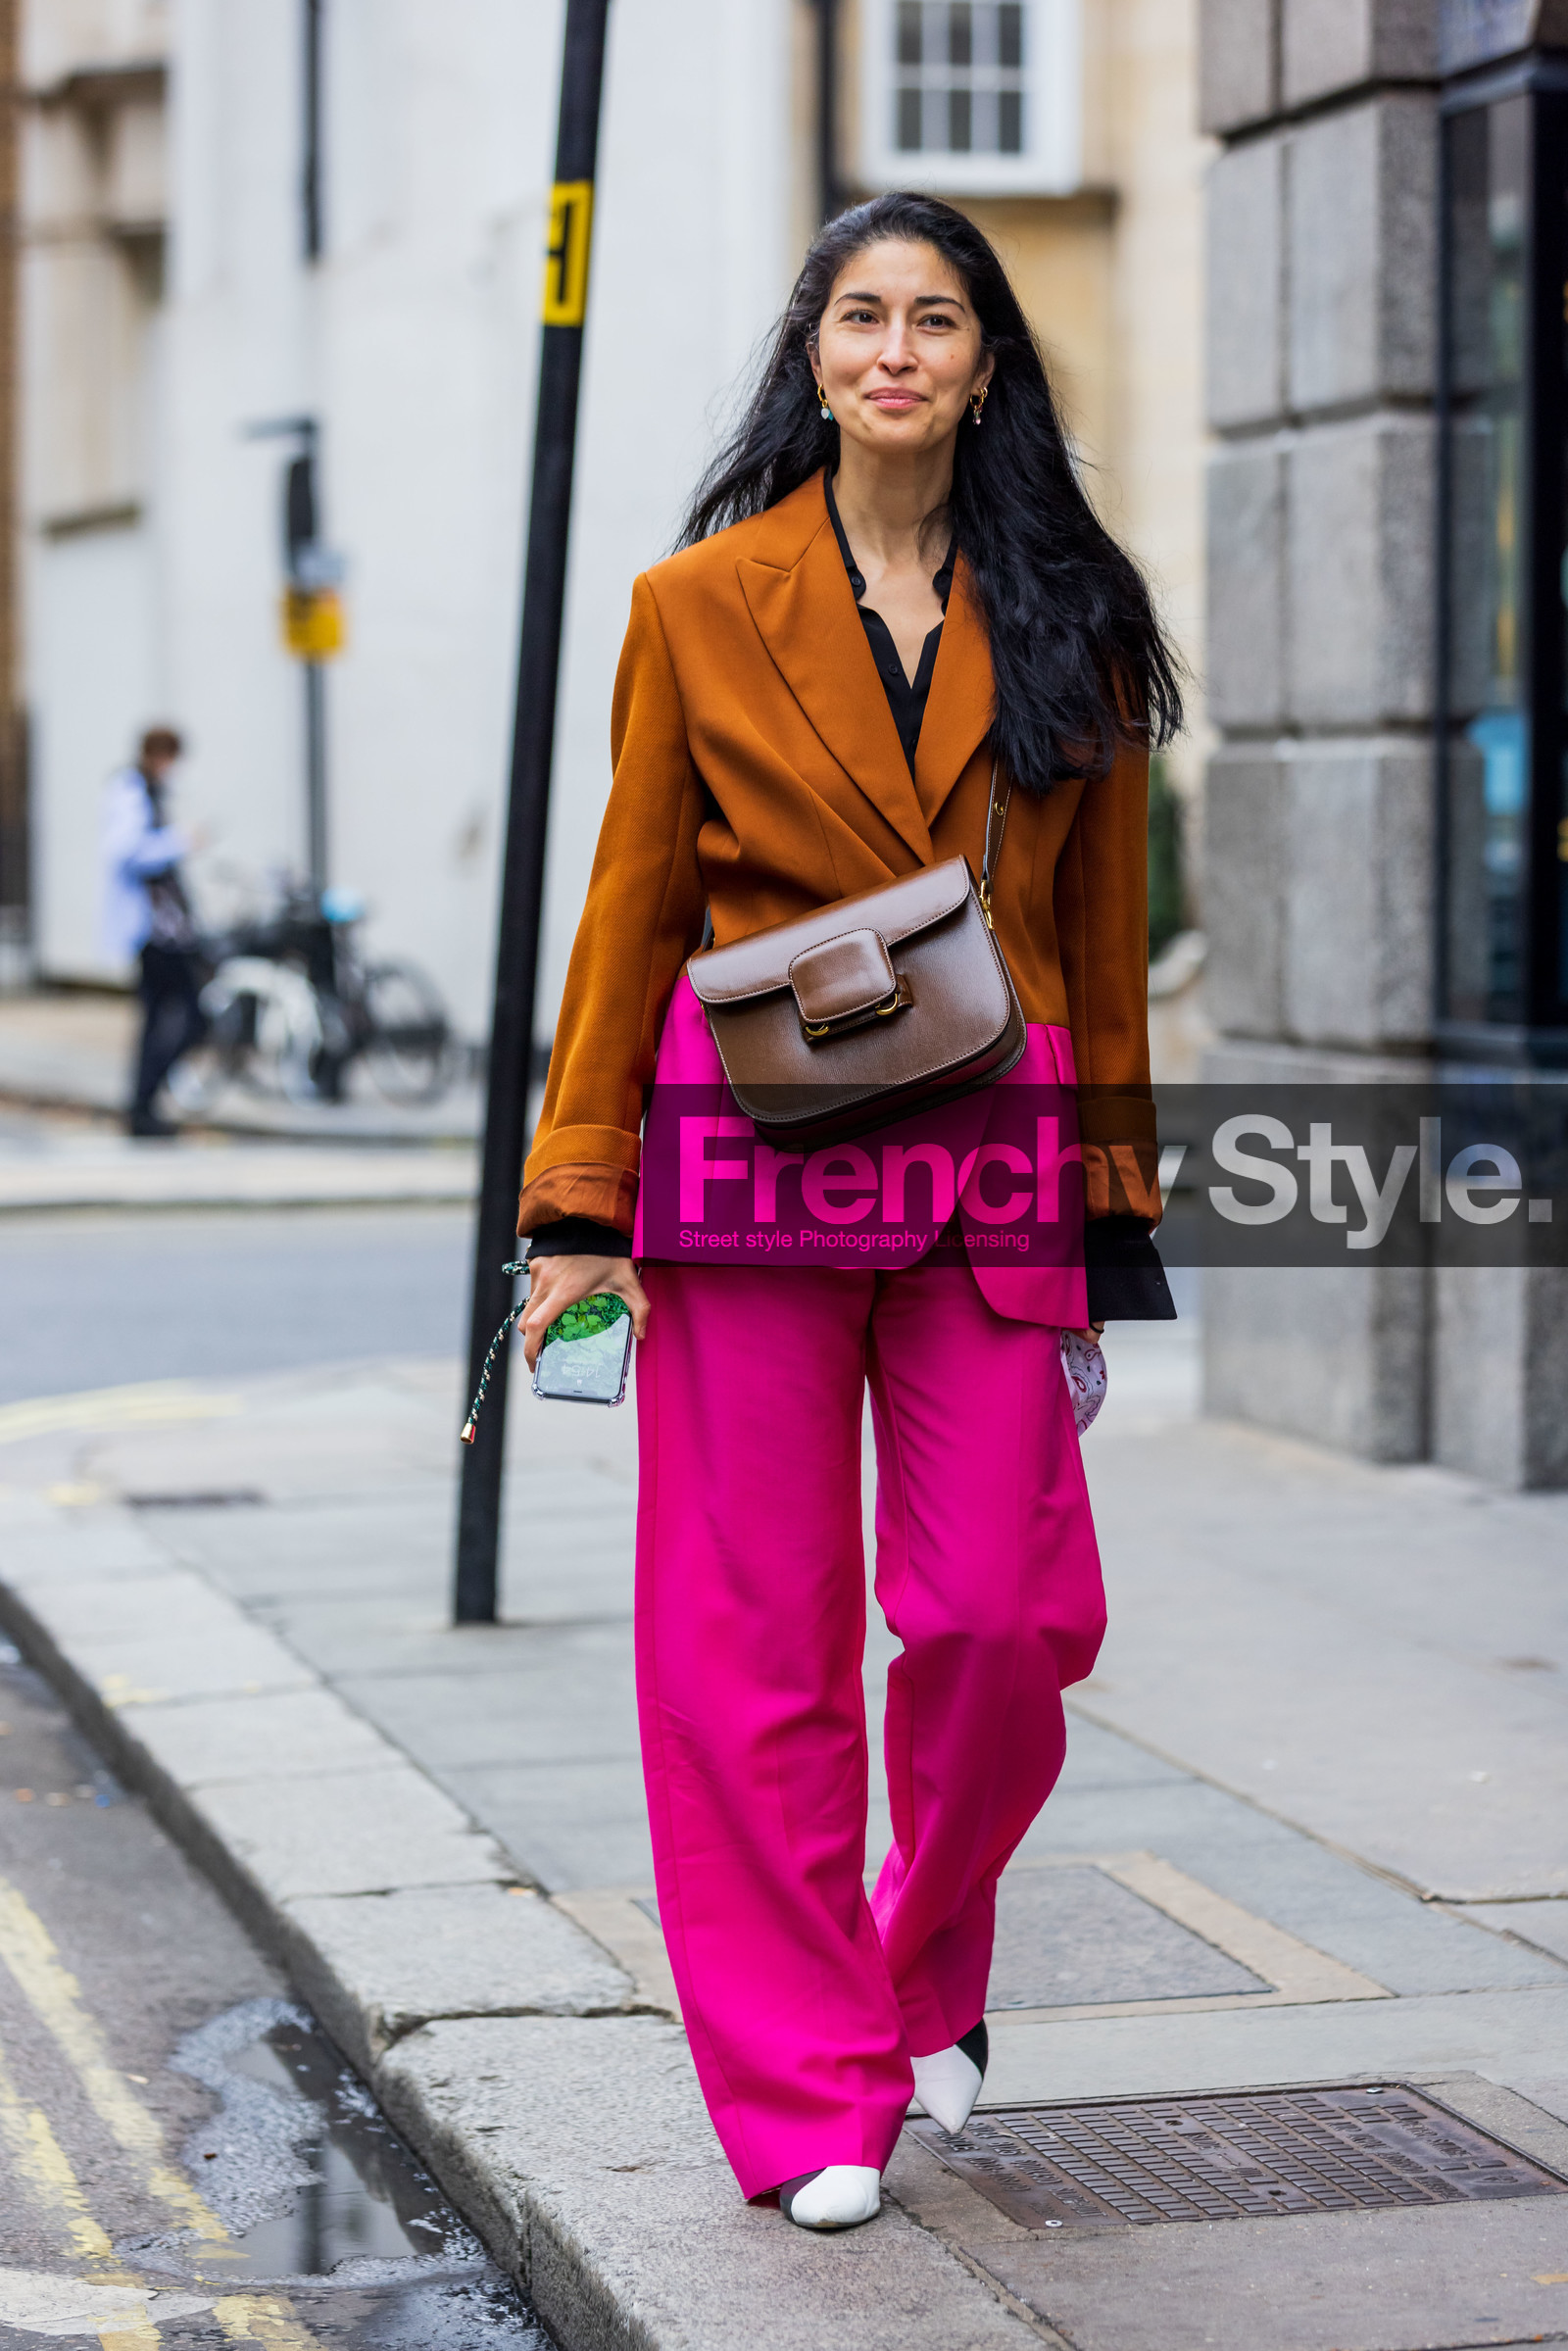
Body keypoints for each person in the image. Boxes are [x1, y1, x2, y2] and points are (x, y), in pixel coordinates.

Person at [517, 194, 1182, 2231]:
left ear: (987, 364)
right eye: (858, 314)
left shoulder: (1070, 603)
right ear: (814, 352)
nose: (894, 347)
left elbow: (1094, 929)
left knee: (1001, 1613)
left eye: (935, 319)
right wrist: (574, 1204)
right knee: (749, 1643)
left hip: (991, 1162)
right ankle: (806, 2087)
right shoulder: (695, 602)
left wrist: (1109, 1203)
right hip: (746, 1162)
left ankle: (910, 1961)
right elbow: (631, 903)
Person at [99, 725, 205, 1138]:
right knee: (188, 1015)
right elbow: (128, 853)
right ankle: (143, 1103)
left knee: (160, 1017)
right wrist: (181, 841)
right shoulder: (129, 791)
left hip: (166, 929)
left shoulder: (150, 793)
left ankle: (143, 1104)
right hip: (152, 932)